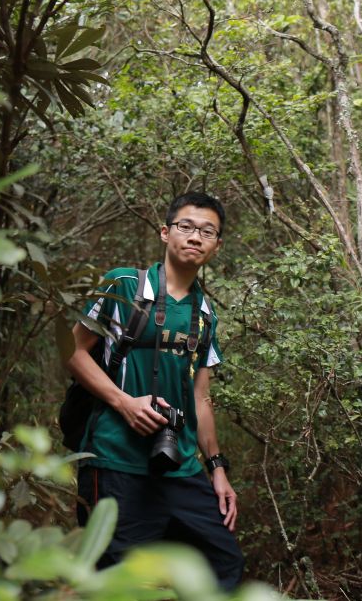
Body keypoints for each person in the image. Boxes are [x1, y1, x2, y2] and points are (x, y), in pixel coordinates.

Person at [66, 191, 244, 589]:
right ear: (166, 233)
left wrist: (216, 469)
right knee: (116, 582)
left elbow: (201, 397)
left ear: (217, 245)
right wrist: (124, 403)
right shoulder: (123, 285)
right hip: (115, 459)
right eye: (186, 226)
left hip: (177, 463)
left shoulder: (205, 314)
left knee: (222, 563)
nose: (195, 237)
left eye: (207, 231)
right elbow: (74, 353)